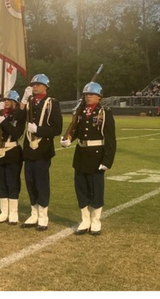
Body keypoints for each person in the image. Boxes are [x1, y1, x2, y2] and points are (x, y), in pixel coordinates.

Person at [60, 82, 117, 236]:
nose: (88, 97)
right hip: (81, 154)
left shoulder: (104, 113)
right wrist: (68, 139)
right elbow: (77, 130)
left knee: (96, 189)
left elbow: (110, 139)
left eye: (91, 94)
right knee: (81, 188)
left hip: (97, 155)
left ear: (99, 97)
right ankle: (85, 220)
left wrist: (107, 160)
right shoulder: (80, 112)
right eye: (86, 94)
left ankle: (96, 221)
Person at [20, 74, 63, 231]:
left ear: (46, 86)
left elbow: (57, 129)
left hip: (43, 149)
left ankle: (43, 216)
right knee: (30, 181)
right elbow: (18, 117)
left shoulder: (52, 103)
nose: (35, 86)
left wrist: (39, 129)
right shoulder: (30, 102)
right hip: (29, 148)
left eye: (38, 84)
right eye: (33, 84)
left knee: (41, 182)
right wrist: (23, 100)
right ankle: (34, 213)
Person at [0, 90, 26, 225]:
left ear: (15, 102)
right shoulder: (1, 113)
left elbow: (16, 133)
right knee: (1, 183)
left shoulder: (19, 115)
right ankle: (4, 211)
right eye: (4, 100)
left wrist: (4, 122)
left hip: (12, 150)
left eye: (9, 100)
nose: (6, 102)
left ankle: (13, 212)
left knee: (12, 182)